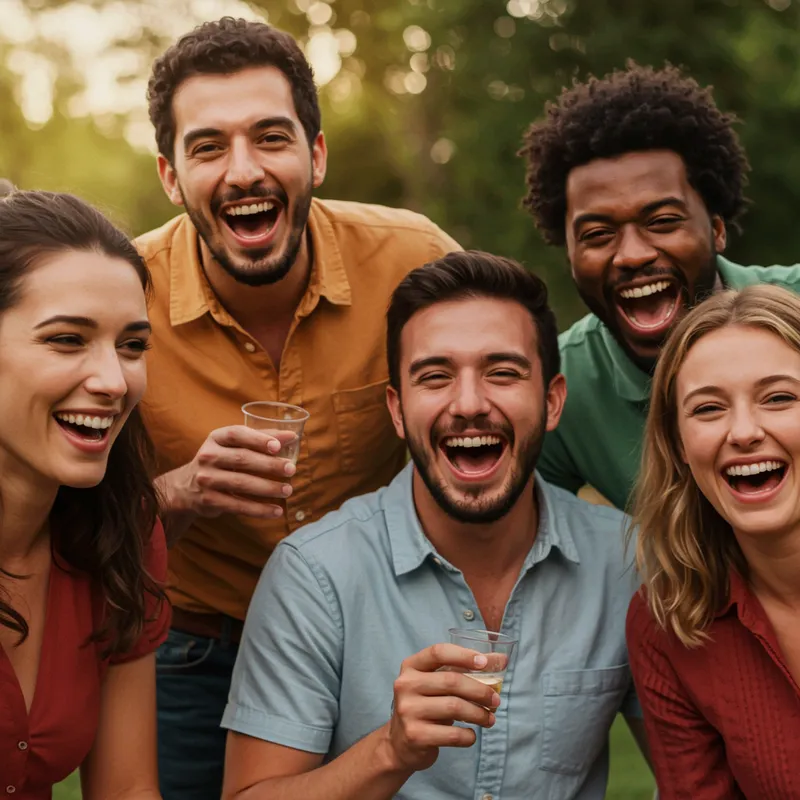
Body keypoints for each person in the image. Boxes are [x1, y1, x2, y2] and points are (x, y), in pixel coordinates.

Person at [135, 16, 460, 798]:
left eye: (271, 138)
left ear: (315, 155)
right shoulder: (124, 298)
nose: (244, 171)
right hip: (196, 653)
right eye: (209, 147)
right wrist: (178, 493)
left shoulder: (413, 263)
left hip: (376, 641)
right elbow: (59, 511)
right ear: (172, 177)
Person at [220, 251, 647, 799]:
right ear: (397, 411)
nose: (469, 404)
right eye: (436, 376)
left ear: (552, 400)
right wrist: (390, 751)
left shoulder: (626, 562)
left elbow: (693, 774)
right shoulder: (314, 574)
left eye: (502, 372)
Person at [520, 62, 800, 510]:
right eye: (597, 235)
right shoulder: (559, 393)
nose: (632, 255)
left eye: (663, 222)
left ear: (716, 228)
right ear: (569, 255)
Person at [0, 189, 170, 798]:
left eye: (132, 346)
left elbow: (127, 791)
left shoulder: (122, 529)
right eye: (68, 340)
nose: (113, 381)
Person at [626, 283, 800, 798]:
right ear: (678, 444)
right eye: (708, 409)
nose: (743, 432)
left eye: (780, 398)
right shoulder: (671, 625)